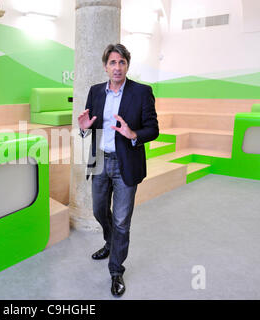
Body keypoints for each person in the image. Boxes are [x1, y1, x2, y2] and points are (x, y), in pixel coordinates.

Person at [77, 43, 159, 297]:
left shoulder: (142, 92)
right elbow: (90, 126)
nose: (117, 67)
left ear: (127, 66)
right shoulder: (95, 92)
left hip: (126, 162)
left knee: (122, 220)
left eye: (122, 62)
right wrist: (84, 128)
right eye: (112, 62)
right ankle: (109, 242)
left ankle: (116, 270)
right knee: (98, 209)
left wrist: (133, 133)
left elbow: (153, 128)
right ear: (105, 66)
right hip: (100, 159)